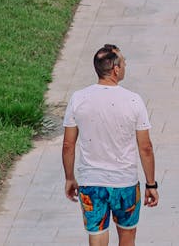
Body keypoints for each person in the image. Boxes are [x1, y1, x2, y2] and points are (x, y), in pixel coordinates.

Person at [62, 44, 158, 246]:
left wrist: (70, 177)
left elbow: (68, 145)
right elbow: (145, 147)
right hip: (125, 182)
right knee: (127, 236)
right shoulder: (133, 100)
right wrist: (151, 184)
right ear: (116, 68)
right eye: (123, 62)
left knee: (96, 233)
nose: (125, 65)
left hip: (91, 181)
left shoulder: (78, 99)